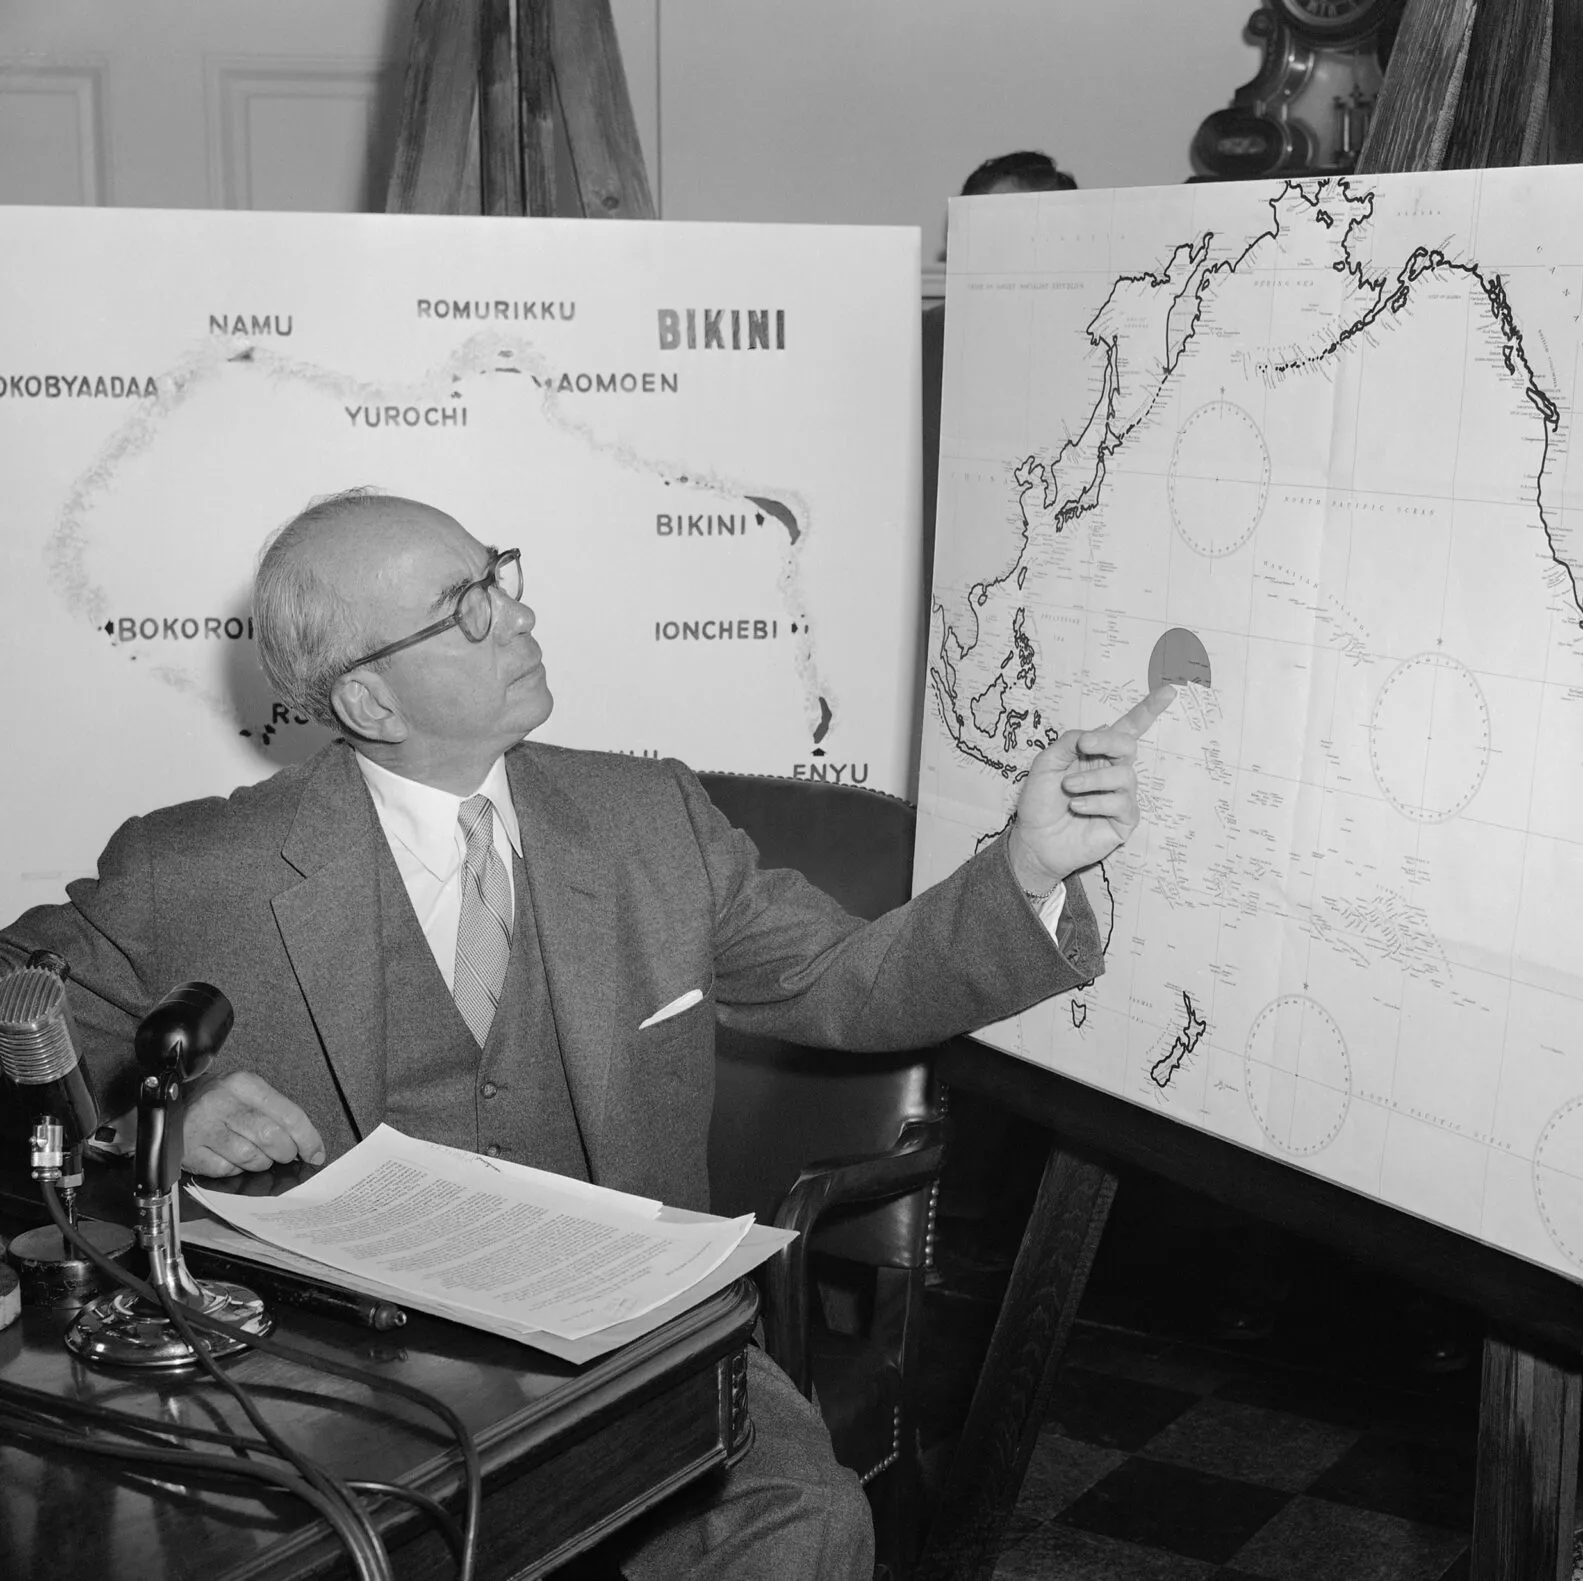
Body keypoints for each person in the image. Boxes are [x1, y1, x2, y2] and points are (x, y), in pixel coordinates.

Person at [0, 487, 1172, 1580]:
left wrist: (1027, 868)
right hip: (333, 1355)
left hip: (631, 1337)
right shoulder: (195, 866)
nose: (519, 615)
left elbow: (847, 980)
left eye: (498, 578)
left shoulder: (645, 816)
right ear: (367, 700)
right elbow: (17, 982)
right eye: (469, 610)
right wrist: (174, 1090)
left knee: (800, 1522)